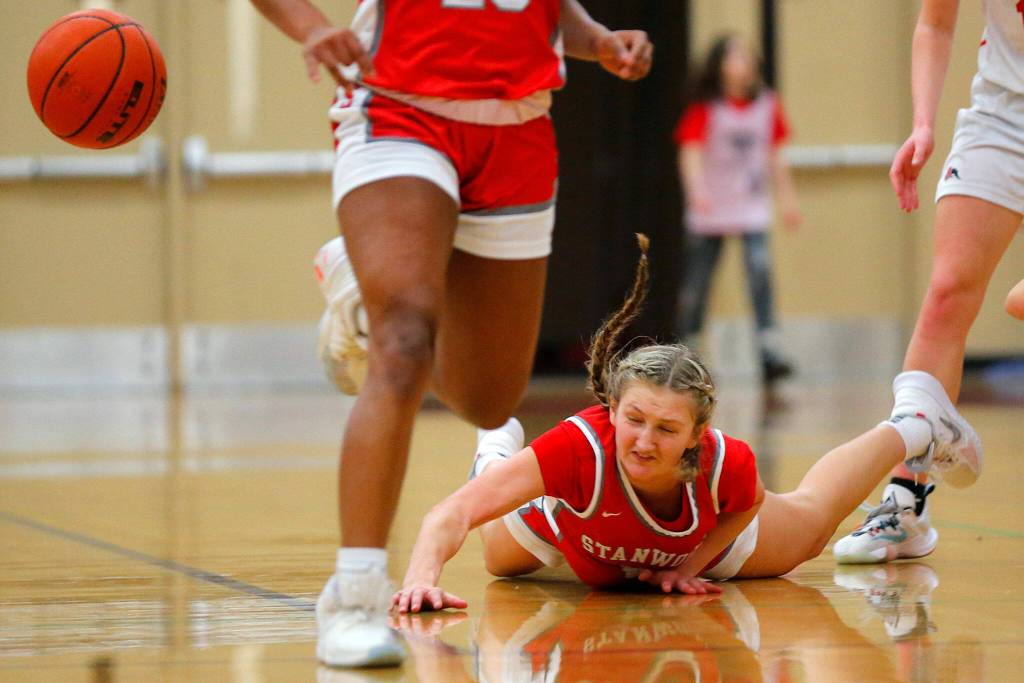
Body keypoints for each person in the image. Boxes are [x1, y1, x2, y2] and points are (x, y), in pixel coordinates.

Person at [250, 0, 653, 669]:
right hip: (397, 107)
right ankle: (353, 597)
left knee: (488, 399)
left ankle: (364, 290)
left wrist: (600, 41)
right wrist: (311, 27)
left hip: (516, 127)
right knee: (405, 342)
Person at [391, 236, 978, 613]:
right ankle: (495, 450)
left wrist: (688, 567)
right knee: (498, 561)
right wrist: (420, 580)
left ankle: (914, 422)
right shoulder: (579, 448)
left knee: (812, 528)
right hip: (571, 538)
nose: (644, 441)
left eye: (667, 430)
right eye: (633, 420)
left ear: (698, 435)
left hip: (685, 546)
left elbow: (746, 506)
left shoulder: (726, 465)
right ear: (612, 411)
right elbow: (450, 515)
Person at [834, 0, 1019, 565]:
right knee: (945, 295)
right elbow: (935, 23)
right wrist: (921, 123)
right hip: (1004, 116)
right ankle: (904, 503)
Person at [673, 34, 801, 384]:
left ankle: (769, 348)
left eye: (746, 56)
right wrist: (697, 191)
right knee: (698, 281)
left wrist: (787, 200)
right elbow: (690, 152)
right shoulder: (706, 107)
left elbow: (776, 156)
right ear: (718, 65)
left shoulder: (767, 105)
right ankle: (687, 349)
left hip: (751, 205)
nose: (742, 62)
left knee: (760, 273)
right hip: (712, 206)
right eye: (734, 56)